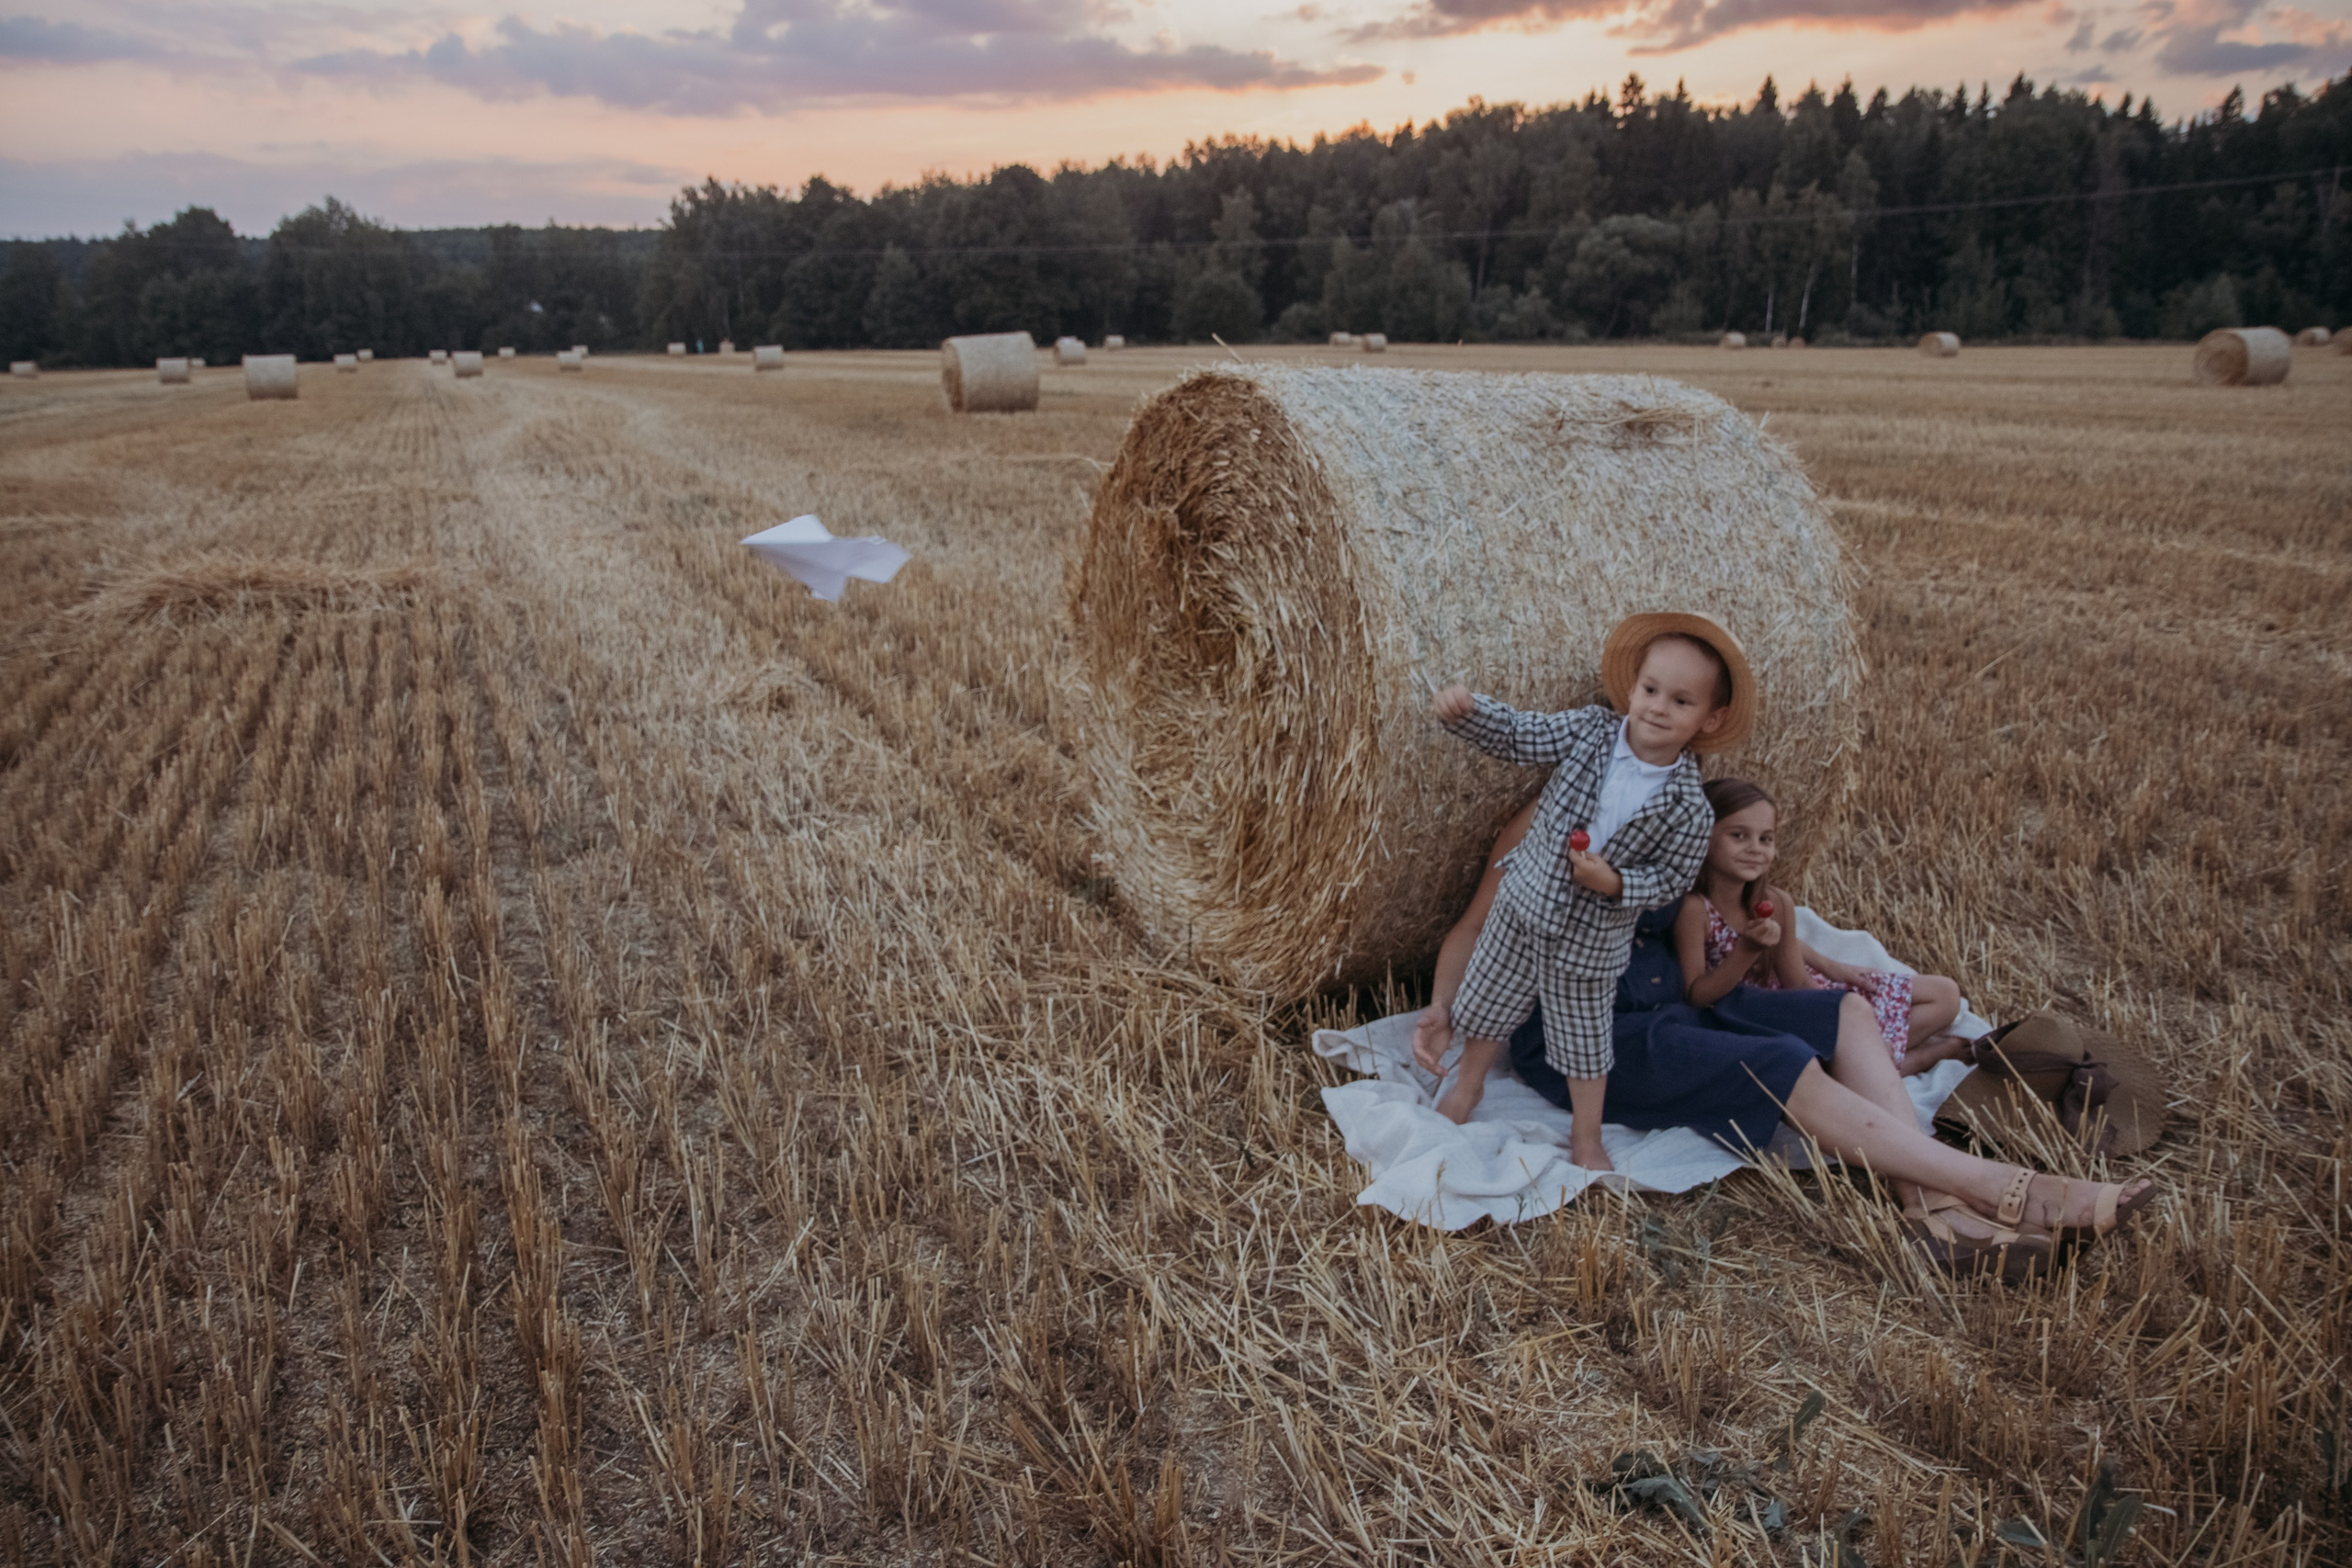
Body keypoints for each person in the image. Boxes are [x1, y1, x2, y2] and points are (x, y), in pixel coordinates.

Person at [1414, 798, 2159, 1276]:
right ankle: (1991, 1188)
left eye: (1685, 710)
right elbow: (1475, 926)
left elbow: (1727, 911)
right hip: (1594, 1034)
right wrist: (1443, 1007)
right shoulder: (1550, 821)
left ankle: (1931, 1212)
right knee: (1780, 1060)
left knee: (1847, 1014)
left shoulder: (1681, 813)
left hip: (1683, 1004)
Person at [1413, 613, 1751, 1166]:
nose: (1658, 707)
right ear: (1632, 689)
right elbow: (1524, 734)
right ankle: (1467, 1086)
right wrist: (1471, 714)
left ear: (1710, 720)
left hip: (1591, 942)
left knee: (1585, 1042)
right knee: (1487, 1004)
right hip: (1524, 906)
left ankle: (1586, 1136)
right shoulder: (1591, 731)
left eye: (1681, 701)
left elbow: (1672, 879)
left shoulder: (1689, 806)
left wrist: (1615, 882)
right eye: (1650, 689)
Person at [1677, 777, 1971, 1076]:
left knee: (1946, 994)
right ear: (1702, 836)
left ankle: (1876, 1054)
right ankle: (1925, 1056)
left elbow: (1799, 984)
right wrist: (1746, 952)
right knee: (1825, 1070)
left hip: (1803, 1002)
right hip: (1758, 1019)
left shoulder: (1776, 903)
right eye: (1739, 835)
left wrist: (1839, 1015)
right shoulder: (1695, 910)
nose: (1755, 849)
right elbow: (1696, 996)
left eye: (1766, 839)